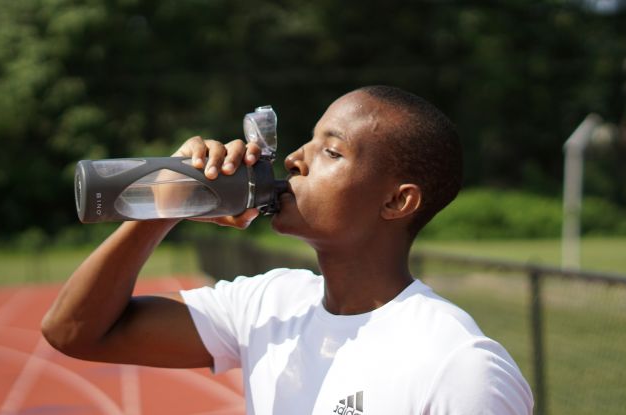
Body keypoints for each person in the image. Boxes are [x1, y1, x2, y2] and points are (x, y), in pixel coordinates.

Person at [42, 85, 533, 414]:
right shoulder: (270, 304)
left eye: (331, 152)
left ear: (396, 201)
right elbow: (74, 331)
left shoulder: (458, 365)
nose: (295, 160)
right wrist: (170, 198)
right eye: (308, 142)